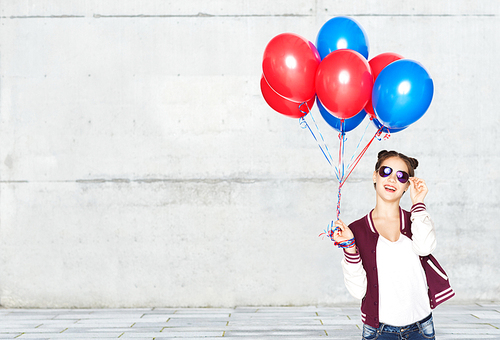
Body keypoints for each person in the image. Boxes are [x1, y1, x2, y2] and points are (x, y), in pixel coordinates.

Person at [332, 150, 454, 340]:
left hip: (421, 328)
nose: (392, 179)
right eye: (385, 171)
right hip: (378, 331)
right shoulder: (356, 230)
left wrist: (418, 202)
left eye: (401, 176)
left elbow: (425, 248)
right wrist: (350, 247)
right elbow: (358, 291)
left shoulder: (416, 219)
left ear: (407, 186)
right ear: (375, 175)